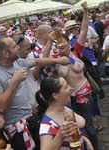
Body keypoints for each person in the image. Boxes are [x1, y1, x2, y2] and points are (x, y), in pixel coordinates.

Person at [0, 36, 70, 150]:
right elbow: (1, 106)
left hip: (31, 118)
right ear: (6, 53)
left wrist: (58, 60)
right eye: (14, 46)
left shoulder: (18, 62)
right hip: (16, 128)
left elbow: (37, 61)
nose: (18, 48)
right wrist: (15, 81)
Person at [43, 2, 100, 149]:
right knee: (73, 125)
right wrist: (49, 42)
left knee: (89, 125)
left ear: (69, 42)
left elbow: (84, 29)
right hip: (67, 96)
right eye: (58, 43)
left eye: (63, 43)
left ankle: (96, 146)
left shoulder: (76, 51)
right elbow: (42, 60)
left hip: (84, 93)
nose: (60, 45)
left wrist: (85, 11)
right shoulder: (55, 59)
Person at [37, 74, 93, 150]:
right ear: (55, 95)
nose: (70, 88)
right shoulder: (47, 125)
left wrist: (86, 141)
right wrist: (60, 136)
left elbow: (75, 131)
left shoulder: (66, 107)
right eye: (66, 87)